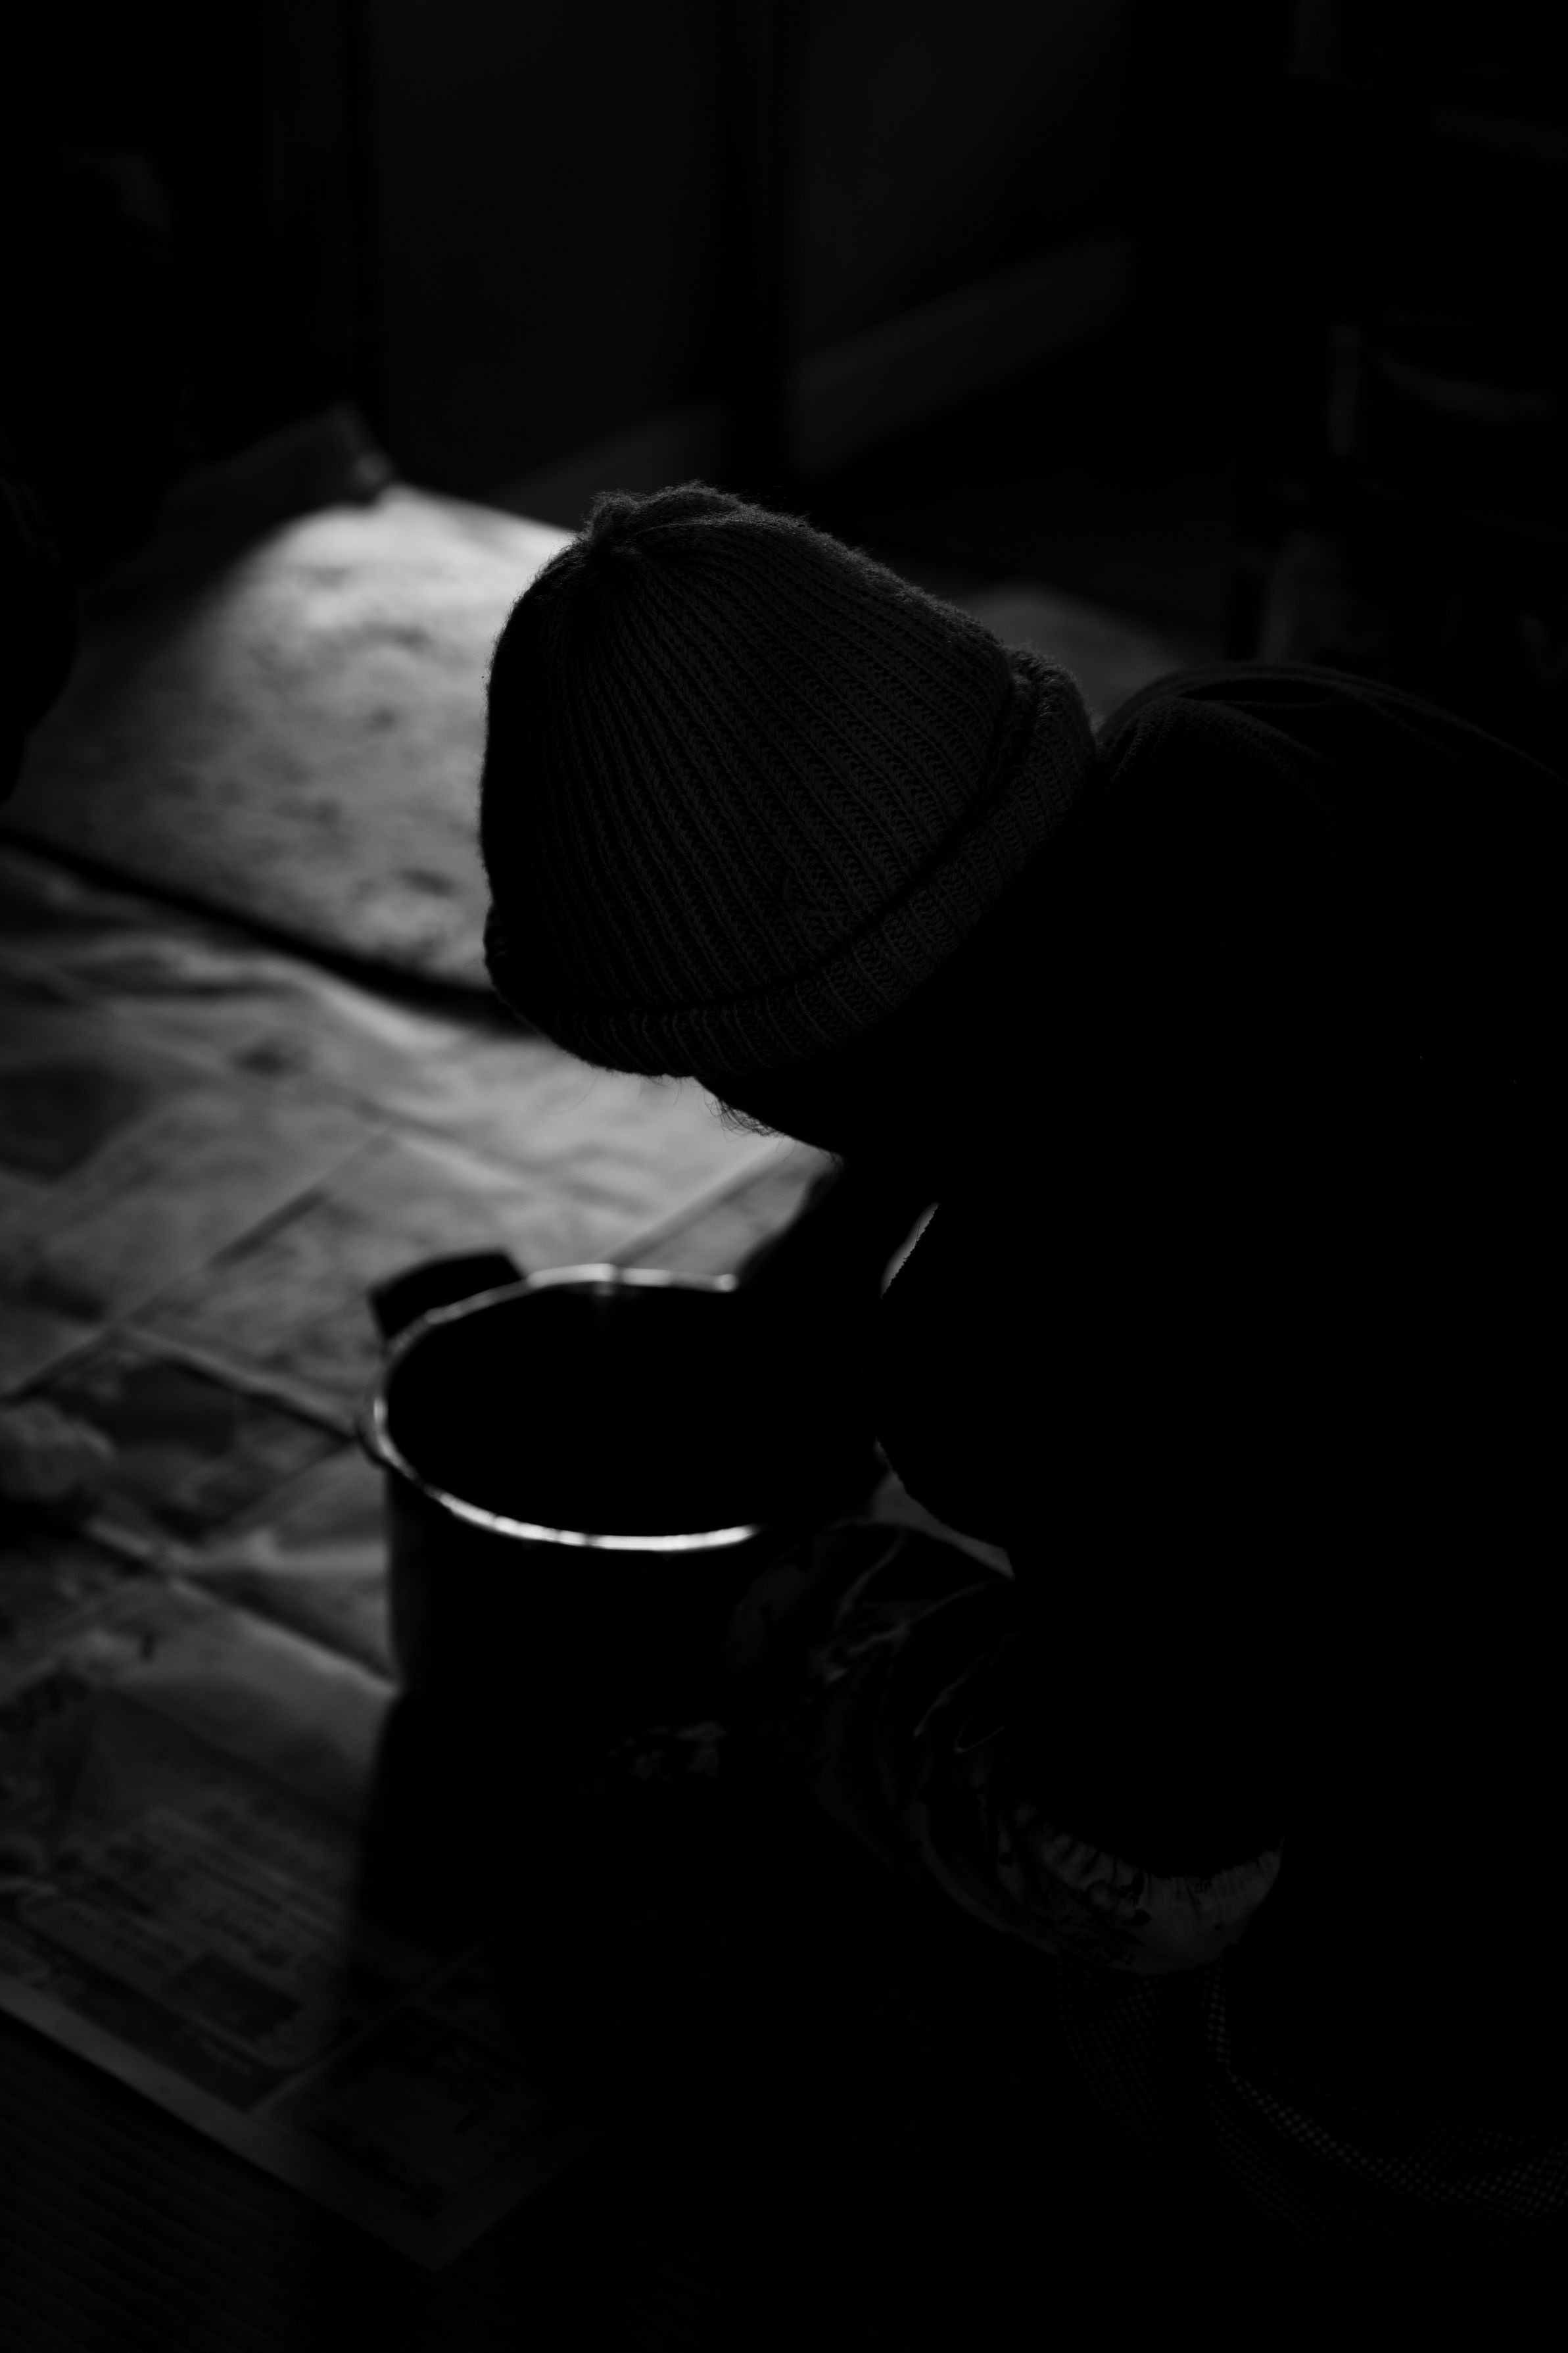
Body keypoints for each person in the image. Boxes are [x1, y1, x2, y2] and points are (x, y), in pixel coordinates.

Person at [476, 479, 1567, 2320]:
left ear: (806, 1069)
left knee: (645, 1874)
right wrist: (827, 1264)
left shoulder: (1070, 1322)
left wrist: (799, 1638)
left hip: (1475, 2052)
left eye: (728, 1083)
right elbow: (1014, 1010)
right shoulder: (1247, 736)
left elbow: (1150, 1866)